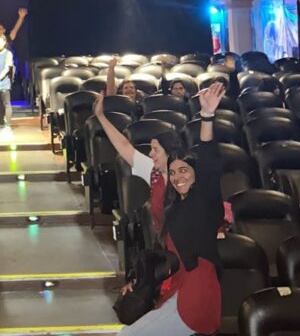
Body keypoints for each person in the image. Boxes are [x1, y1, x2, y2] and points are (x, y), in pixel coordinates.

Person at [118, 82, 225, 336]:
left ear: (196, 175)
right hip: (176, 288)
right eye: (174, 172)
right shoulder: (173, 208)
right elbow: (162, 257)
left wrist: (207, 116)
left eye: (184, 170)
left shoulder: (206, 201)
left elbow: (209, 161)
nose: (178, 177)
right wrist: (137, 282)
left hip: (197, 295)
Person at [94, 90, 182, 233]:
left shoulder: (187, 176)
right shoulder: (152, 171)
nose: (150, 154)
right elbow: (124, 146)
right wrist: (100, 116)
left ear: (169, 153)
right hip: (162, 238)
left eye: (155, 150)